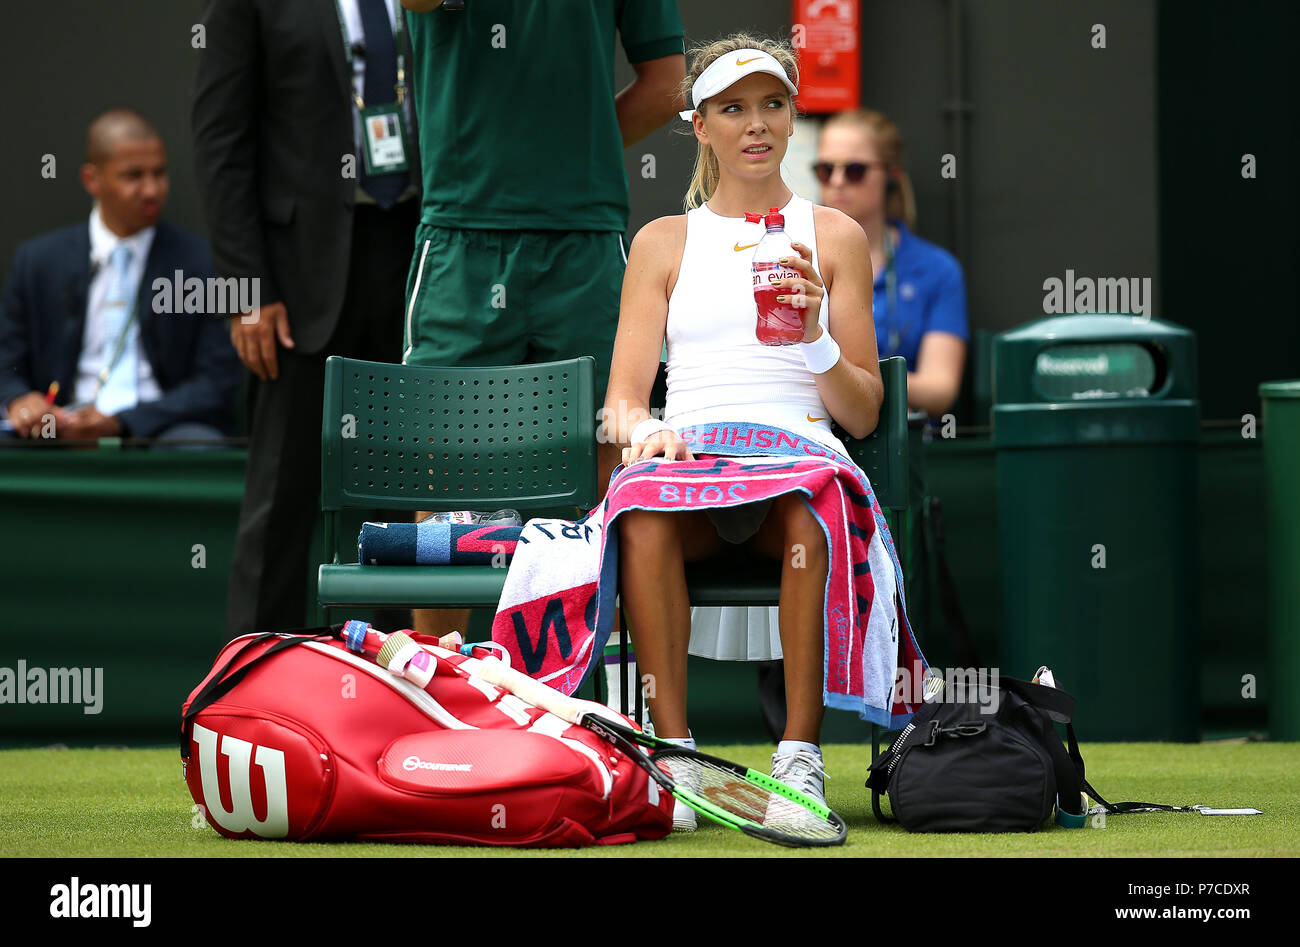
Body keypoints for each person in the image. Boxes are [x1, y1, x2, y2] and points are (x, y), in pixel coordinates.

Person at [601, 34, 884, 829]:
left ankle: (798, 758)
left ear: (793, 119)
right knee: (643, 514)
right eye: (733, 107)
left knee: (809, 514)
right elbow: (622, 403)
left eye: (772, 105)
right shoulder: (661, 241)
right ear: (700, 126)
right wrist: (648, 434)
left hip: (798, 464)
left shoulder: (836, 236)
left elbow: (861, 411)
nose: (756, 124)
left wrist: (816, 336)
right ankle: (676, 754)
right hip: (693, 471)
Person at [399, 0, 685, 639]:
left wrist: (570, 145)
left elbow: (670, 81)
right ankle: (445, 690)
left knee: (615, 461)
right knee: (445, 475)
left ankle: (606, 704)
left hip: (581, 234)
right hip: (464, 234)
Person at [193, 0, 423, 639]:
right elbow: (221, 141)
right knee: (281, 496)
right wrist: (246, 290)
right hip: (294, 279)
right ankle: (249, 690)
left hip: (413, 252)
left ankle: (402, 686)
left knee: (405, 494)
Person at [0, 110, 237, 444]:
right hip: (57, 428)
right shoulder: (37, 262)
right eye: (133, 176)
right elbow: (7, 359)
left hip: (157, 430)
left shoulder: (204, 264)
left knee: (200, 448)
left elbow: (216, 382)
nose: (152, 189)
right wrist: (20, 400)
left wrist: (122, 422)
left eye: (159, 173)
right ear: (91, 179)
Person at [816, 109, 968, 418]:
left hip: (902, 440)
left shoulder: (937, 268)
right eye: (825, 169)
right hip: (816, 434)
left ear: (890, 177)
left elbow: (941, 389)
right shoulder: (795, 254)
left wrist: (861, 382)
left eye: (855, 170)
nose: (837, 181)